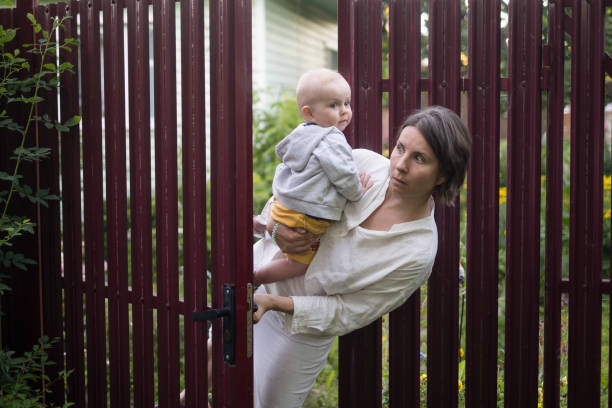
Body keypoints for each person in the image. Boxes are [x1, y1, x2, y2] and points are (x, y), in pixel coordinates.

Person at [251, 105, 471, 407]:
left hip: (297, 329)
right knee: (211, 372)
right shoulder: (362, 163)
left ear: (443, 174)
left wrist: (274, 303)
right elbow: (292, 195)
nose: (400, 165)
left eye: (419, 158)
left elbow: (346, 312)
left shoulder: (416, 252)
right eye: (400, 148)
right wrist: (273, 226)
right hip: (257, 273)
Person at [253, 68, 365, 285]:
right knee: (298, 264)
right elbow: (345, 175)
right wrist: (359, 192)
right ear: (309, 113)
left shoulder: (302, 134)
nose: (344, 111)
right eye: (333, 105)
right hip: (305, 218)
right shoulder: (332, 139)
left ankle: (262, 224)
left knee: (284, 247)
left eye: (346, 103)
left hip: (284, 207)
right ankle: (254, 278)